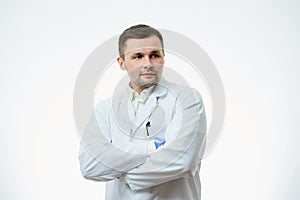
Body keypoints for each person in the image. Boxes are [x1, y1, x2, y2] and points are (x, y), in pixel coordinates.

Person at [79, 24, 207, 200]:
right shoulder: (105, 109)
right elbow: (90, 165)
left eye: (154, 55)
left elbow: (182, 160)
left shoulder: (188, 99)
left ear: (163, 58)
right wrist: (152, 147)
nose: (148, 64)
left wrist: (123, 175)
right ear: (121, 63)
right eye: (138, 56)